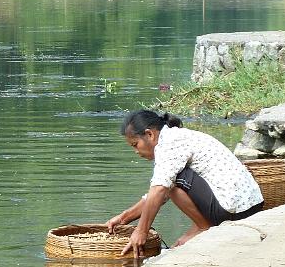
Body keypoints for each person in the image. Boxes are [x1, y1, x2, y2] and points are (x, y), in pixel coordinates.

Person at [106, 109, 264, 258]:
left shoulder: (169, 144)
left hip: (235, 208)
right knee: (169, 182)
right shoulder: (175, 137)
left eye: (135, 144)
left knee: (171, 184)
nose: (136, 151)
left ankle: (203, 228)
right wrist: (123, 218)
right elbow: (157, 194)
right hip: (251, 205)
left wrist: (141, 231)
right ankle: (200, 226)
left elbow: (160, 191)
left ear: (149, 134)